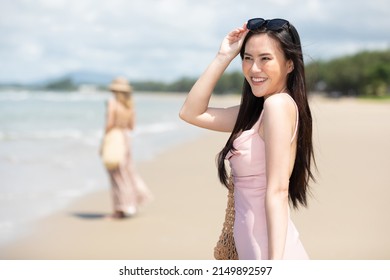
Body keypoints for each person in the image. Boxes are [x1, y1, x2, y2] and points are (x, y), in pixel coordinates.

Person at [179, 18, 315, 259]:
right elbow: (191, 112)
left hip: (269, 252)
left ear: (290, 64)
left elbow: (278, 191)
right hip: (255, 248)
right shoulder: (256, 113)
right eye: (247, 58)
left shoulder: (276, 106)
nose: (254, 69)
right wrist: (224, 56)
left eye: (265, 58)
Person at [102, 77, 153, 219]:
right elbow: (131, 126)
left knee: (116, 174)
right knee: (127, 172)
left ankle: (119, 209)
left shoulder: (112, 103)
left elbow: (109, 123)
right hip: (126, 139)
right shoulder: (130, 105)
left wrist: (104, 142)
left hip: (115, 137)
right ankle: (132, 204)